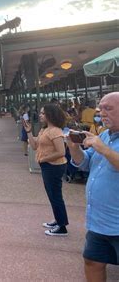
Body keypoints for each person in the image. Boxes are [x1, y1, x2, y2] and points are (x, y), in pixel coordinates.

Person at [66, 92, 119, 281]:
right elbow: (85, 163)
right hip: (99, 221)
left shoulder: (102, 141)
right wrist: (74, 147)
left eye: (109, 108)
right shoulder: (104, 135)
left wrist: (102, 147)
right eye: (101, 109)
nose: (102, 113)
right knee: (92, 262)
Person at [23, 104, 69, 236]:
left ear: (50, 115)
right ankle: (59, 220)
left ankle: (62, 226)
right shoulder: (44, 130)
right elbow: (34, 146)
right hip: (48, 165)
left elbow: (61, 152)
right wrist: (29, 132)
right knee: (53, 195)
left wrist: (44, 159)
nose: (40, 115)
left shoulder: (55, 131)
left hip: (54, 166)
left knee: (55, 196)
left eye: (43, 113)